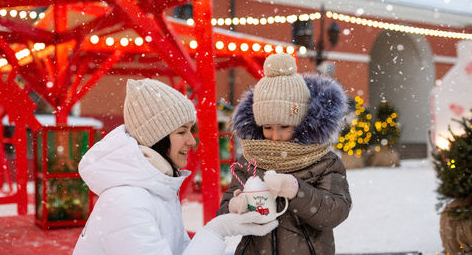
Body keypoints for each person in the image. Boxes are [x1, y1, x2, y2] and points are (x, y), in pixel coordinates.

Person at [73, 78, 278, 255]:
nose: (191, 141)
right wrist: (218, 230)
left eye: (191, 130)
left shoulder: (155, 190)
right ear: (157, 138)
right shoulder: (127, 201)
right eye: (182, 132)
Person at [217, 53, 352, 255]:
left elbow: (335, 212)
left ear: (301, 122)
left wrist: (297, 191)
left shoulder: (325, 162)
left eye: (284, 126)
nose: (275, 136)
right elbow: (224, 209)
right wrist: (236, 205)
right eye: (267, 127)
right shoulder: (251, 160)